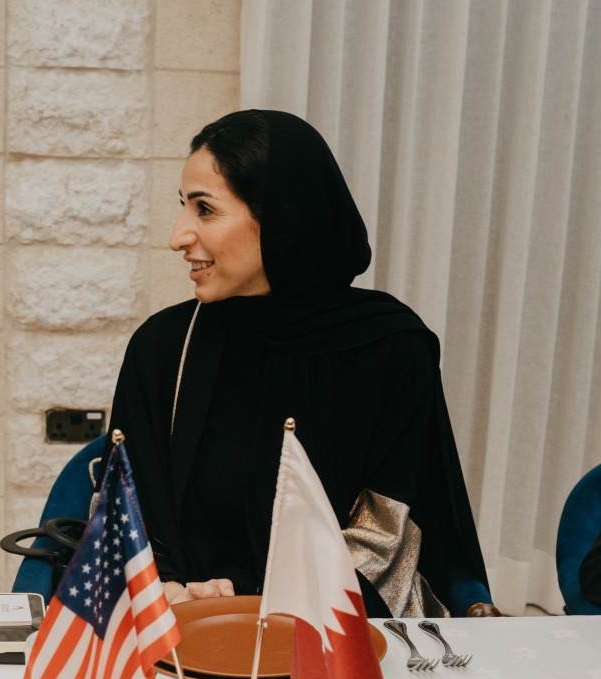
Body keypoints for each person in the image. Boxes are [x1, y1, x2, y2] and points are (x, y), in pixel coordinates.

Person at [108, 109, 493, 617]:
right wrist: (175, 591)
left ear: (281, 220)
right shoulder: (165, 346)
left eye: (205, 210)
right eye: (184, 207)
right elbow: (126, 509)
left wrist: (269, 606)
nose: (178, 235)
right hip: (185, 634)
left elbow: (390, 531)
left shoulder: (390, 349)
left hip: (334, 637)